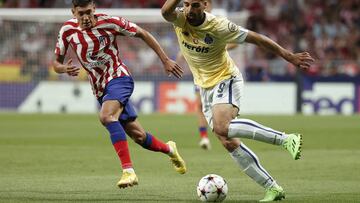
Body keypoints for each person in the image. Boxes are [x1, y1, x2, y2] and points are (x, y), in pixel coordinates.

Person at [161, 0, 314, 201]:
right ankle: (273, 188)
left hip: (226, 78)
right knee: (228, 141)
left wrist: (288, 56)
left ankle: (286, 139)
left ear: (206, 5)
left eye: (195, 5)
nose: (190, 10)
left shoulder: (219, 25)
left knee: (222, 126)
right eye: (187, 4)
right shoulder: (180, 18)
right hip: (204, 86)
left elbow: (257, 38)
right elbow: (165, 11)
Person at [53, 0, 186, 189]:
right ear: (73, 12)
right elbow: (56, 63)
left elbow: (142, 33)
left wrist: (165, 60)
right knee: (139, 136)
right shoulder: (67, 30)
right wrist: (63, 68)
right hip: (100, 88)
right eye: (81, 13)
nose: (86, 17)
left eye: (89, 12)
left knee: (106, 116)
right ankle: (169, 149)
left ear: (94, 9)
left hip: (119, 78)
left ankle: (128, 171)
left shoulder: (110, 22)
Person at [175, 0, 237, 150]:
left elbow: (235, 41)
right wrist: (180, 57)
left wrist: (216, 47)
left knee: (222, 115)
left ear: (206, 4)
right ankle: (204, 138)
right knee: (200, 106)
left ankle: (230, 131)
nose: (192, 7)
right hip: (201, 74)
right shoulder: (189, 18)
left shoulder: (219, 17)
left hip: (219, 70)